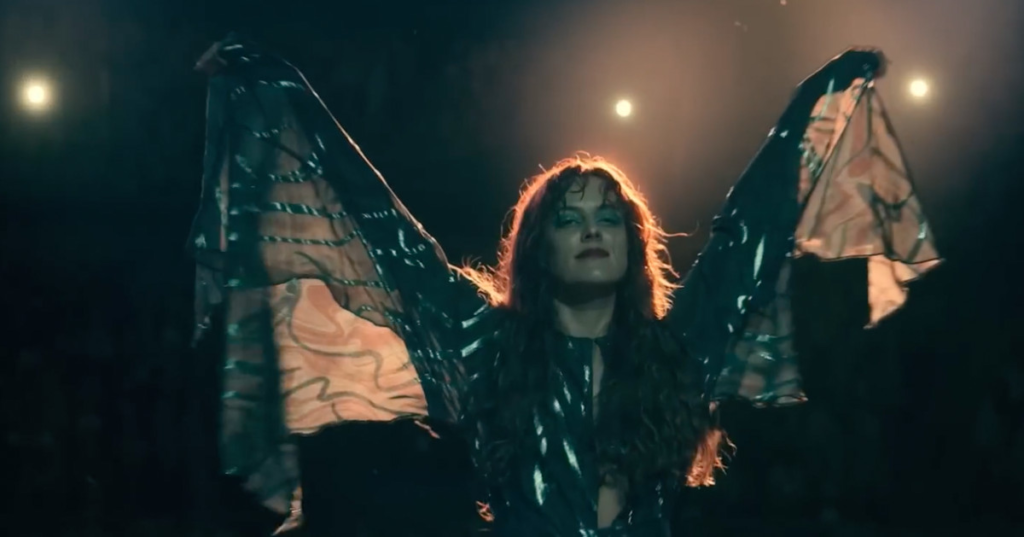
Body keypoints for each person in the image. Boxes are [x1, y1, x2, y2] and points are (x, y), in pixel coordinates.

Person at [189, 35, 941, 536]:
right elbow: (385, 234)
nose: (592, 230)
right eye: (570, 218)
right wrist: (279, 88)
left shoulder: (678, 348)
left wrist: (821, 96)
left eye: (609, 217)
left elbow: (754, 228)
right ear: (537, 247)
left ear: (633, 243)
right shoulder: (487, 343)